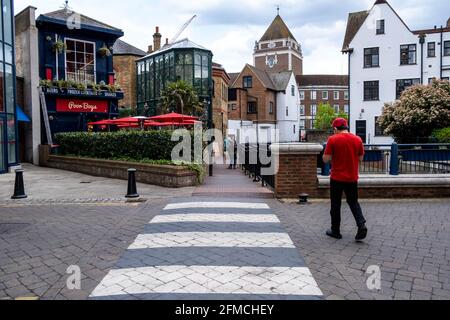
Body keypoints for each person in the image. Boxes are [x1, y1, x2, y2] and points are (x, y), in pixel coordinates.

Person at [323, 118, 368, 241]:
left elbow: (325, 159)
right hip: (352, 177)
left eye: (334, 130)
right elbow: (360, 159)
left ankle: (335, 231)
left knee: (336, 204)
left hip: (337, 177)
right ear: (346, 127)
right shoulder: (358, 139)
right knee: (353, 202)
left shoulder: (333, 139)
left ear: (336, 129)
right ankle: (361, 225)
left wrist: (332, 156)